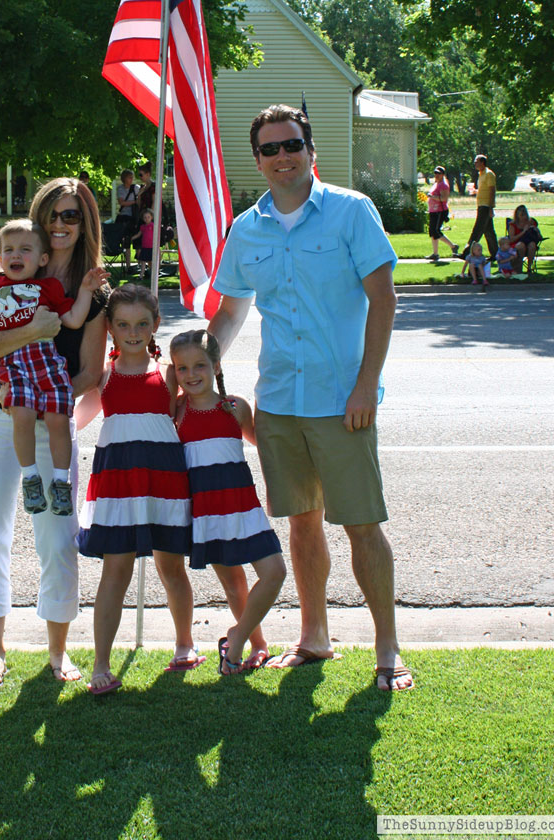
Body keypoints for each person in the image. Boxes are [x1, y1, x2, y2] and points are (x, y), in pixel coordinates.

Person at [208, 103, 413, 691]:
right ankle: (314, 636)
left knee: (363, 526)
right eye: (269, 149)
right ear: (257, 159)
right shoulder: (247, 229)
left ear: (310, 149)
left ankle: (387, 648)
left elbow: (384, 301)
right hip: (277, 404)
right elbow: (230, 310)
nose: (281, 157)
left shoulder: (352, 213)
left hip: (342, 401)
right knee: (302, 524)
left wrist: (364, 387)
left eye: (290, 145)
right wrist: (197, 362)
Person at [0, 177, 107, 688]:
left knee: (58, 536)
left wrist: (43, 391)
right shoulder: (1, 280)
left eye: (73, 216)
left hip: (52, 417)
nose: (62, 224)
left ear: (85, 223)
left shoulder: (93, 290)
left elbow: (90, 373)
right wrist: (26, 345)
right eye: (54, 215)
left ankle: (58, 652)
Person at [77, 284, 197, 695]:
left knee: (171, 567)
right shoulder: (103, 377)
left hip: (164, 480)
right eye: (124, 324)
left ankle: (185, 644)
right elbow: (74, 418)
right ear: (109, 328)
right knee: (116, 571)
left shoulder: (169, 374)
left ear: (156, 325)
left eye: (142, 323)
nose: (133, 331)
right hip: (117, 484)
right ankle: (101, 663)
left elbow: (195, 409)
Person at [0, 219, 106, 517]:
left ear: (43, 259)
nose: (15, 256)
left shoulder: (48, 287)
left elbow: (74, 319)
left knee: (57, 417)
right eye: (8, 250)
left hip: (46, 361)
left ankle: (59, 481)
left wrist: (85, 290)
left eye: (25, 250)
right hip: (13, 365)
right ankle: (30, 477)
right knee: (23, 413)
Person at [170, 329, 285, 675]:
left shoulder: (234, 408)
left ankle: (236, 638)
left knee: (274, 572)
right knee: (234, 583)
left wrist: (275, 487)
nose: (191, 375)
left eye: (200, 366)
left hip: (244, 505)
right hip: (208, 511)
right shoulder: (177, 411)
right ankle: (256, 645)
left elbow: (262, 445)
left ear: (216, 366)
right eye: (181, 368)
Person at [462, 154, 498, 262]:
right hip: (481, 205)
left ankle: (466, 253)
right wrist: (475, 191)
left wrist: (491, 207)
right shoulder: (481, 174)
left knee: (477, 231)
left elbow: (492, 191)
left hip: (486, 206)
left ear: (482, 162)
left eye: (476, 162)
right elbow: (484, 189)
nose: (475, 164)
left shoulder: (489, 174)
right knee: (489, 232)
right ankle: (495, 254)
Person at [425, 166, 458, 261]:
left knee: (436, 231)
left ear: (443, 174)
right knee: (432, 232)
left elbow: (444, 198)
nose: (436, 175)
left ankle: (452, 246)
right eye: (435, 173)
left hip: (440, 211)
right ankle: (435, 253)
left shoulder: (443, 185)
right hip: (433, 211)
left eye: (439, 173)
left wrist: (432, 196)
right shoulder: (436, 184)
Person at [507, 204, 541, 275]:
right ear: (517, 216)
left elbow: (539, 237)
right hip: (516, 243)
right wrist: (523, 231)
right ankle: (519, 268)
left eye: (525, 214)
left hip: (528, 242)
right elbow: (511, 239)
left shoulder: (531, 222)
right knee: (521, 245)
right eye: (521, 215)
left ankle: (529, 268)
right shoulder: (513, 225)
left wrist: (536, 230)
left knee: (532, 245)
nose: (524, 217)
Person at [129, 208, 155, 278]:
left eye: (148, 217)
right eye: (145, 217)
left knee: (151, 262)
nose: (146, 219)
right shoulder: (142, 227)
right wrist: (131, 238)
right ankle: (141, 275)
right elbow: (138, 234)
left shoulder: (153, 226)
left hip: (151, 247)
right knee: (143, 261)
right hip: (144, 247)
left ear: (151, 217)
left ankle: (153, 275)